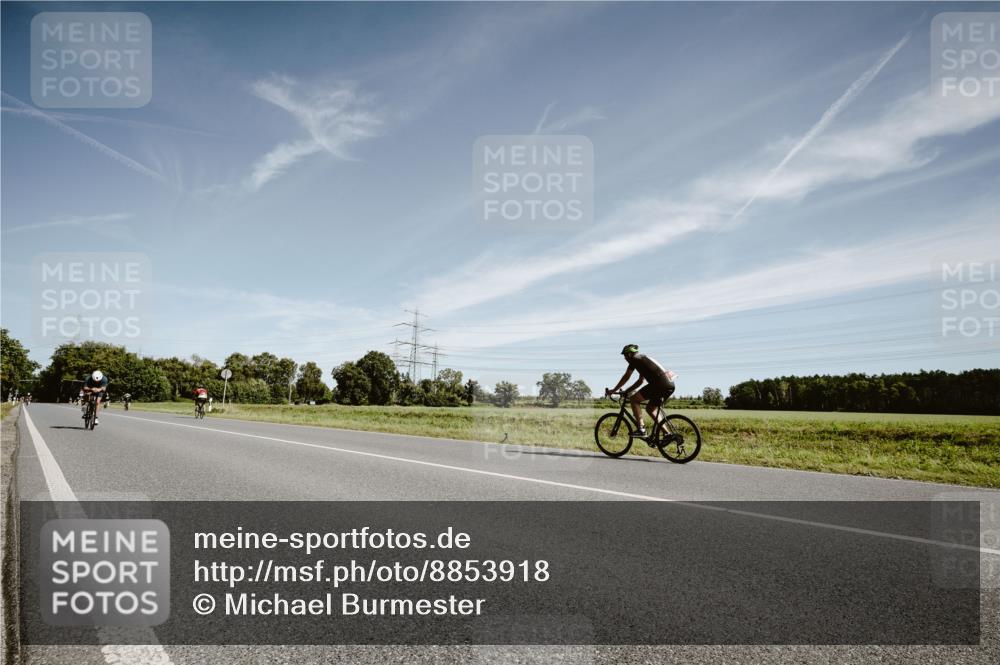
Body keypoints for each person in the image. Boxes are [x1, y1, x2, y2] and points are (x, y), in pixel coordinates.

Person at [606, 344, 675, 439]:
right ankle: (667, 434)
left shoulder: (634, 359)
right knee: (650, 409)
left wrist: (614, 390)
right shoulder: (643, 359)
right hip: (669, 384)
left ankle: (641, 429)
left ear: (630, 354)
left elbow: (626, 377)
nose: (625, 359)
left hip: (659, 384)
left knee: (634, 400)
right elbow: (640, 381)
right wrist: (627, 391)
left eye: (625, 356)